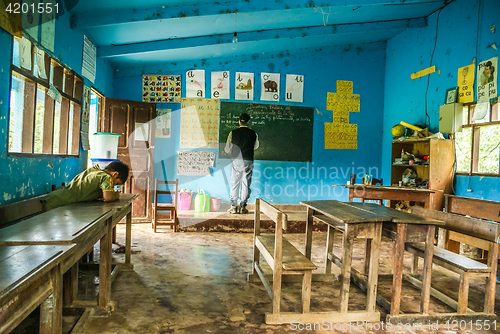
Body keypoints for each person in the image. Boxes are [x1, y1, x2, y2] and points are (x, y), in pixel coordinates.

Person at [43, 161, 129, 210]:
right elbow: (108, 198)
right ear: (115, 174)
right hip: (57, 203)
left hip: (53, 199)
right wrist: (116, 195)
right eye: (116, 183)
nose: (114, 185)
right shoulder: (106, 177)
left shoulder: (94, 171)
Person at [224, 113, 259, 214]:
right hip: (248, 159)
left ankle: (234, 207)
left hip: (236, 159)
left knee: (234, 182)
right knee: (246, 183)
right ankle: (243, 206)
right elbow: (256, 146)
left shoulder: (233, 133)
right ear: (248, 122)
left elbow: (227, 149)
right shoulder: (253, 133)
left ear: (239, 121)